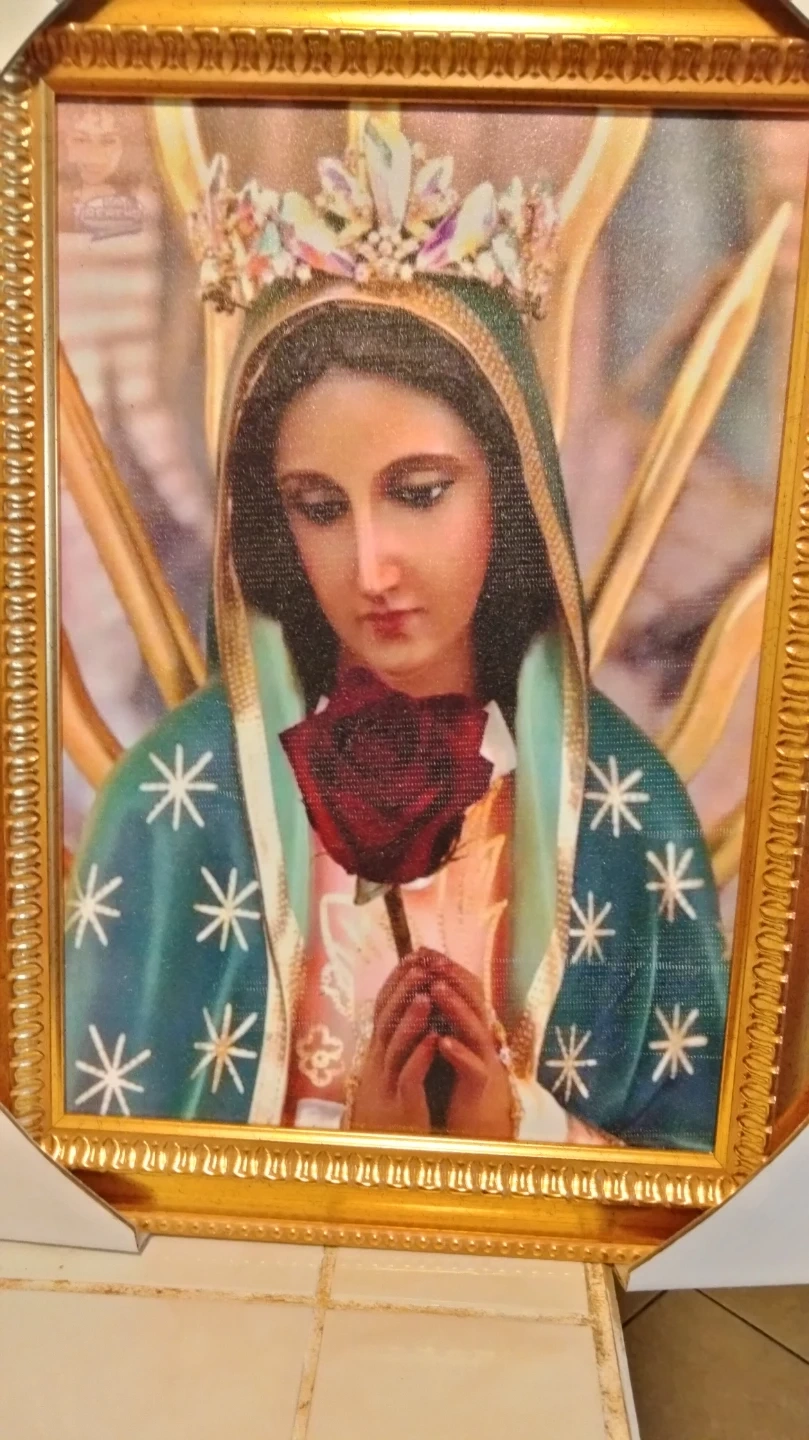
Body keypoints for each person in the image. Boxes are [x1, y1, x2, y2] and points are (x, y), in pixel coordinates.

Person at [64, 118, 728, 1149]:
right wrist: (344, 1148)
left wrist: (522, 1132)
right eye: (318, 507)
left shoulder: (624, 816)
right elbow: (98, 1171)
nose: (370, 568)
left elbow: (697, 1176)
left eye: (417, 493)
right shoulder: (172, 808)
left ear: (508, 490)